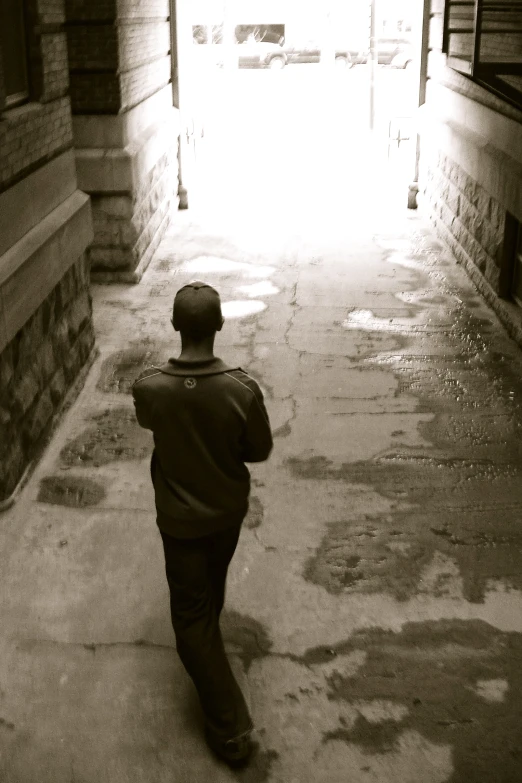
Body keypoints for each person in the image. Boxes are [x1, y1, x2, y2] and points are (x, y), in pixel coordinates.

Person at [132, 281, 273, 765]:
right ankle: (210, 657)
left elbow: (149, 420)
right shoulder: (242, 389)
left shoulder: (150, 386)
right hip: (226, 513)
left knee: (191, 617)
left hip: (179, 520)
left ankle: (229, 726)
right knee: (210, 588)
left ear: (175, 325)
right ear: (219, 325)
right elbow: (259, 450)